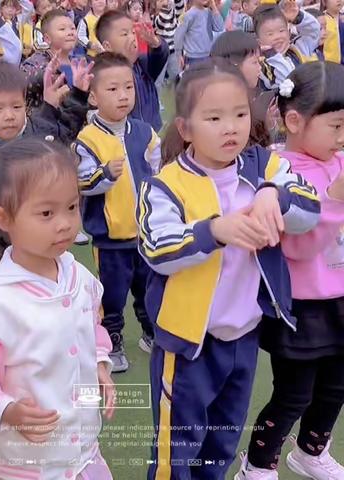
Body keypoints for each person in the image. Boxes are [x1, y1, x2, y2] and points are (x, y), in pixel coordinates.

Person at [137, 58, 321, 480]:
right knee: (175, 450)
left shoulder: (262, 167)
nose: (230, 127)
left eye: (239, 114)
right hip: (187, 345)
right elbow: (156, 248)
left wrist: (274, 195)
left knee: (221, 443)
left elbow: (309, 203)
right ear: (185, 129)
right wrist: (215, 231)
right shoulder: (165, 185)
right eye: (214, 117)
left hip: (243, 337)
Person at [0, 137, 116, 480]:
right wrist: (5, 410)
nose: (64, 223)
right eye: (46, 213)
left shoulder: (77, 274)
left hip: (81, 451)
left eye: (71, 207)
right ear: (3, 217)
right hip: (26, 463)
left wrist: (99, 361)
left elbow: (90, 322)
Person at [236, 61, 344, 480]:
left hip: (339, 300)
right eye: (335, 126)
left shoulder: (336, 161)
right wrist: (334, 198)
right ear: (295, 121)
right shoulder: (282, 172)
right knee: (293, 394)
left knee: (336, 386)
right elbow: (299, 247)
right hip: (301, 305)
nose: (341, 137)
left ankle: (310, 451)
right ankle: (258, 464)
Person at [74, 52, 161, 372]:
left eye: (128, 87)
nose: (123, 95)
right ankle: (112, 339)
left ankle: (151, 333)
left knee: (148, 288)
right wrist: (105, 175)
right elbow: (82, 183)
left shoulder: (145, 132)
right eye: (113, 89)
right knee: (112, 295)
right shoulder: (88, 139)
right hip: (110, 238)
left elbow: (157, 172)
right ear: (94, 96)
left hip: (143, 233)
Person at [0, 59, 92, 272]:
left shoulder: (30, 129)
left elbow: (62, 130)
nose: (9, 115)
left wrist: (76, 95)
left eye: (16, 106)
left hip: (39, 227)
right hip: (0, 236)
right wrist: (46, 116)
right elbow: (14, 154)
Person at [95, 9, 169, 132]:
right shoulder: (105, 76)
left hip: (153, 133)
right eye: (124, 34)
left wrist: (155, 44)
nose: (132, 37)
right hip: (128, 138)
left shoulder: (143, 66)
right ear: (107, 46)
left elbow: (161, 55)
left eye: (133, 32)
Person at [21, 9, 79, 112]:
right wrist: (46, 73)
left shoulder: (78, 64)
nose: (70, 33)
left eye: (73, 28)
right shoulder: (38, 61)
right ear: (47, 38)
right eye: (62, 29)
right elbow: (22, 80)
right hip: (47, 123)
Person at [254, 2, 320, 89]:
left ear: (289, 32)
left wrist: (297, 17)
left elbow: (313, 31)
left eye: (281, 31)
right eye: (270, 34)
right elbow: (288, 81)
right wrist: (272, 55)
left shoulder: (296, 50)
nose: (277, 37)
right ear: (259, 41)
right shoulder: (261, 66)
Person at [174, 0, 224, 67]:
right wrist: (178, 53)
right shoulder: (188, 15)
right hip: (193, 58)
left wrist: (214, 7)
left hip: (208, 55)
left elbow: (219, 27)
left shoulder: (209, 12)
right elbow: (178, 35)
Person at [153, 0, 186, 87]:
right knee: (158, 81)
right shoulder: (155, 17)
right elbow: (162, 20)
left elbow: (180, 7)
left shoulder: (173, 12)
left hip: (174, 51)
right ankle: (157, 100)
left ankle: (179, 97)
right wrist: (166, 6)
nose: (166, 2)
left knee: (178, 77)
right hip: (161, 53)